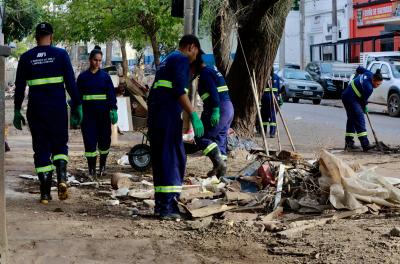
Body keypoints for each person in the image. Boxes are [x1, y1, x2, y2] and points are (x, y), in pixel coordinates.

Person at [13, 22, 82, 204]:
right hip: (57, 109)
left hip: (36, 110)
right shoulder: (60, 55)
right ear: (51, 36)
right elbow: (71, 84)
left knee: (41, 149)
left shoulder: (26, 57)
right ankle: (61, 179)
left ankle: (44, 194)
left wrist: (16, 110)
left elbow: (20, 87)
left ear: (36, 37)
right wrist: (77, 105)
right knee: (60, 146)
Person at [147, 35, 204, 220]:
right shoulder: (181, 59)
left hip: (157, 115)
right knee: (173, 158)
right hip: (168, 115)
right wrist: (194, 115)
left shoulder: (166, 61)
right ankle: (168, 207)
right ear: (191, 47)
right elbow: (179, 91)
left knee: (162, 159)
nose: (195, 58)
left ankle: (161, 205)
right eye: (196, 53)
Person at [76, 47, 118, 178]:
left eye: (100, 61)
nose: (97, 63)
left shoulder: (105, 77)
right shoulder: (83, 77)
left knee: (104, 142)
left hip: (103, 116)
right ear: (90, 60)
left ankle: (103, 167)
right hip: (88, 117)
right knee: (89, 142)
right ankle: (91, 169)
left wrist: (114, 109)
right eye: (95, 60)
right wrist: (76, 110)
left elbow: (111, 95)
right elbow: (77, 96)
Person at [193, 55, 234, 178]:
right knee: (221, 139)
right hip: (228, 108)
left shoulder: (205, 73)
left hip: (219, 108)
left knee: (202, 137)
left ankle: (218, 164)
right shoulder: (212, 70)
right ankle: (221, 175)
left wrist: (215, 110)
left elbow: (213, 92)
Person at [342, 66, 382, 152]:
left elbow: (359, 68)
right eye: (377, 84)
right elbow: (363, 102)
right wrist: (364, 108)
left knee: (352, 119)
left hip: (347, 95)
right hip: (350, 98)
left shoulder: (369, 73)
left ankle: (349, 143)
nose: (378, 86)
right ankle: (365, 144)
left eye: (380, 84)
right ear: (373, 80)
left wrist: (355, 78)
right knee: (359, 117)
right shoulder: (369, 88)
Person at [261, 68, 281, 138]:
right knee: (273, 114)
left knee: (264, 114)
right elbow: (279, 89)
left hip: (265, 97)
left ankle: (263, 131)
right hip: (274, 97)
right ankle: (272, 133)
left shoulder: (263, 76)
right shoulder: (277, 77)